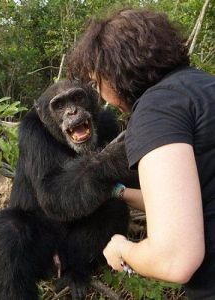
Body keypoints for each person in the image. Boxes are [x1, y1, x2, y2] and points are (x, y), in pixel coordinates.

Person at [67, 8, 215, 300]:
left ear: (115, 72)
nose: (102, 97)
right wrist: (117, 191)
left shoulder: (156, 110)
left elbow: (174, 258)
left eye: (98, 84)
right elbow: (186, 197)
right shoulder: (203, 87)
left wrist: (124, 248)